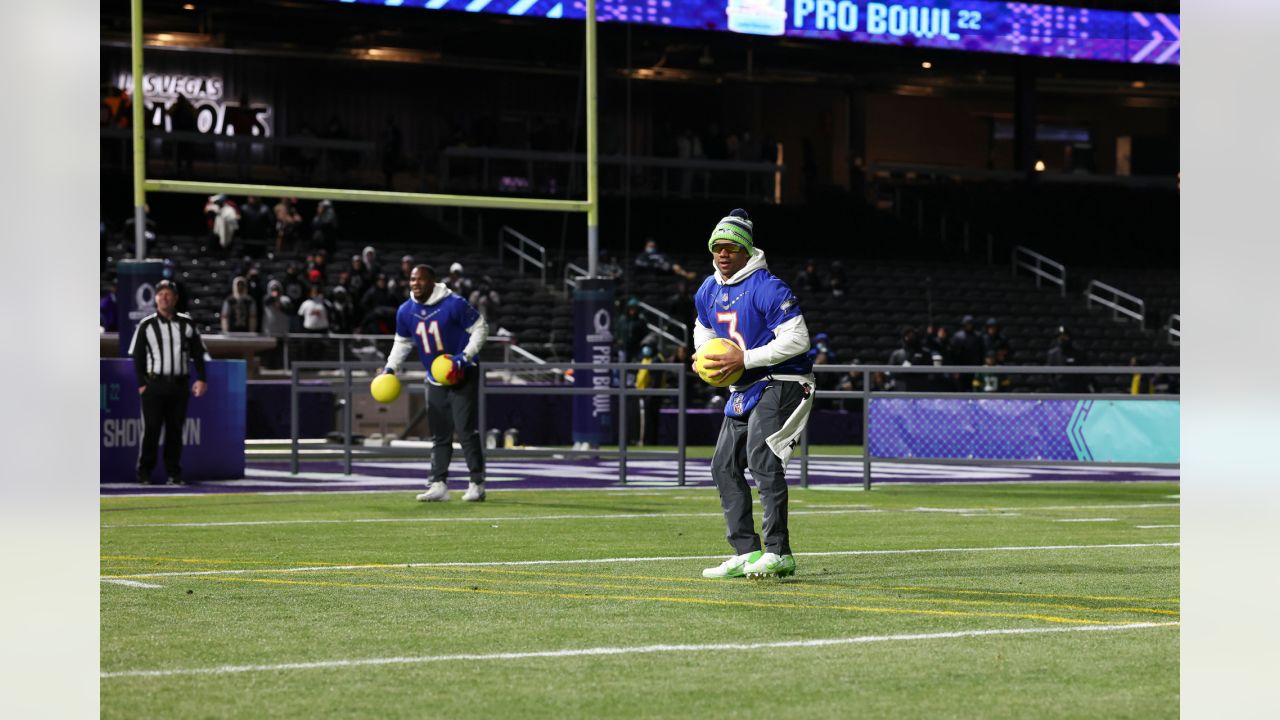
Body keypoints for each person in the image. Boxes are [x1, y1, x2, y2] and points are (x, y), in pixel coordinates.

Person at [694, 209, 815, 580]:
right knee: (723, 465)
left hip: (784, 381)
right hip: (744, 385)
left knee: (762, 461)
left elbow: (798, 339)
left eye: (731, 247)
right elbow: (702, 327)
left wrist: (743, 358)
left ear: (747, 249)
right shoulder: (708, 289)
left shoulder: (768, 286)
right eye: (717, 248)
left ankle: (779, 552)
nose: (723, 254)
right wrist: (704, 356)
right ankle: (747, 552)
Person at [381, 265, 489, 502]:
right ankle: (438, 483)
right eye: (412, 279)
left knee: (465, 429)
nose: (415, 284)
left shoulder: (454, 303)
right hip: (434, 377)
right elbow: (402, 343)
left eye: (420, 279)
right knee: (439, 433)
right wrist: (390, 368)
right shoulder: (405, 310)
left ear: (432, 281)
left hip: (463, 373)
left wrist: (464, 357)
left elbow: (481, 328)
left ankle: (477, 483)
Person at [129, 280, 208, 485]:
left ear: (176, 298)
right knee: (152, 430)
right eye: (161, 294)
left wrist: (201, 378)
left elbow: (198, 353)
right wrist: (142, 384)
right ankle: (144, 472)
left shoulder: (187, 323)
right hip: (154, 384)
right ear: (155, 298)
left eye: (168, 294)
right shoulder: (146, 325)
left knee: (175, 431)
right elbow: (137, 356)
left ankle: (173, 473)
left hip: (179, 384)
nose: (164, 297)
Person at [1046, 325, 1094, 393]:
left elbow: (1086, 374)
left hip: (1077, 389)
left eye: (1065, 337)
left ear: (1070, 338)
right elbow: (1050, 376)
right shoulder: (1052, 354)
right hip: (1059, 390)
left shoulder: (1079, 353)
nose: (1062, 339)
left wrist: (1080, 387)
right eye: (1060, 337)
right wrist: (1056, 387)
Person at [886, 327, 931, 391]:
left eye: (912, 336)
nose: (910, 337)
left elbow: (930, 372)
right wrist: (902, 370)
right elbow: (889, 372)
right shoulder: (896, 354)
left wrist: (915, 366)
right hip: (901, 389)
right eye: (907, 335)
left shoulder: (925, 353)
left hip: (920, 388)